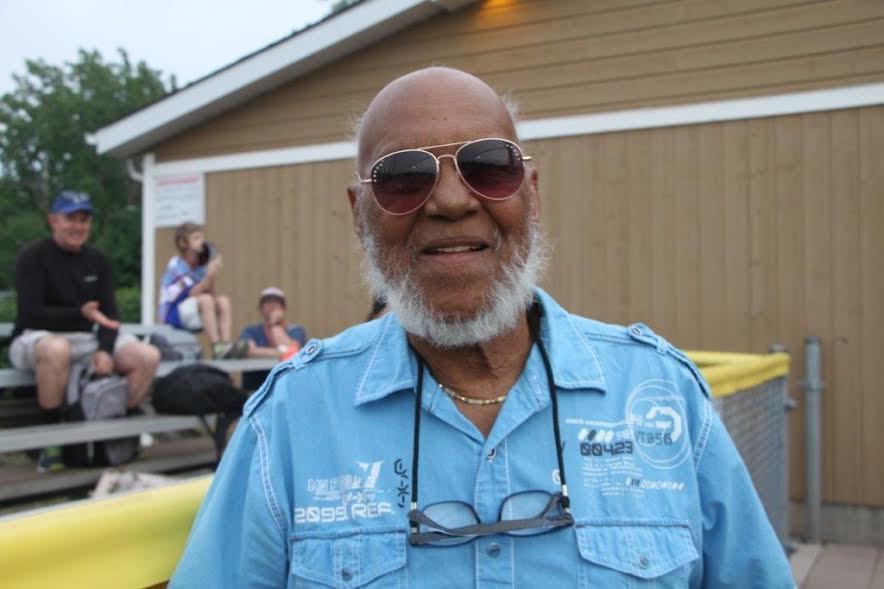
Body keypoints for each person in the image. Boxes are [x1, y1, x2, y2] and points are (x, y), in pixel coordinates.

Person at [171, 68, 795, 587]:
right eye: (404, 178)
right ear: (359, 215)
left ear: (531, 193)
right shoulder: (292, 419)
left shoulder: (661, 393)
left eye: (488, 166)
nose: (451, 201)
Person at [9, 190, 161, 470]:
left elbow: (109, 316)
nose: (78, 226)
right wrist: (79, 314)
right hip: (35, 336)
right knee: (57, 349)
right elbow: (31, 313)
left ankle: (117, 434)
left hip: (86, 338)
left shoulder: (97, 260)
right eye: (71, 219)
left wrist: (105, 350)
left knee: (147, 356)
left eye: (84, 220)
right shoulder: (33, 256)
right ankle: (51, 442)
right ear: (53, 220)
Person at [157, 223, 244, 359]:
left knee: (223, 301)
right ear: (182, 243)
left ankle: (226, 345)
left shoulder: (200, 267)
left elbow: (211, 294)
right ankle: (216, 347)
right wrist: (209, 275)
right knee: (205, 300)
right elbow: (191, 293)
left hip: (192, 309)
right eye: (196, 238)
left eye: (202, 238)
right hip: (172, 313)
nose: (202, 242)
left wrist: (212, 273)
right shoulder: (176, 265)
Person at [237, 286, 307, 390]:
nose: (272, 306)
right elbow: (248, 350)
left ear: (283, 308)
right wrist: (281, 352)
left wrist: (275, 324)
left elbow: (292, 352)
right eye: (267, 302)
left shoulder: (296, 330)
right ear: (260, 308)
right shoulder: (251, 330)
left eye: (276, 302)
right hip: (256, 385)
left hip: (286, 384)